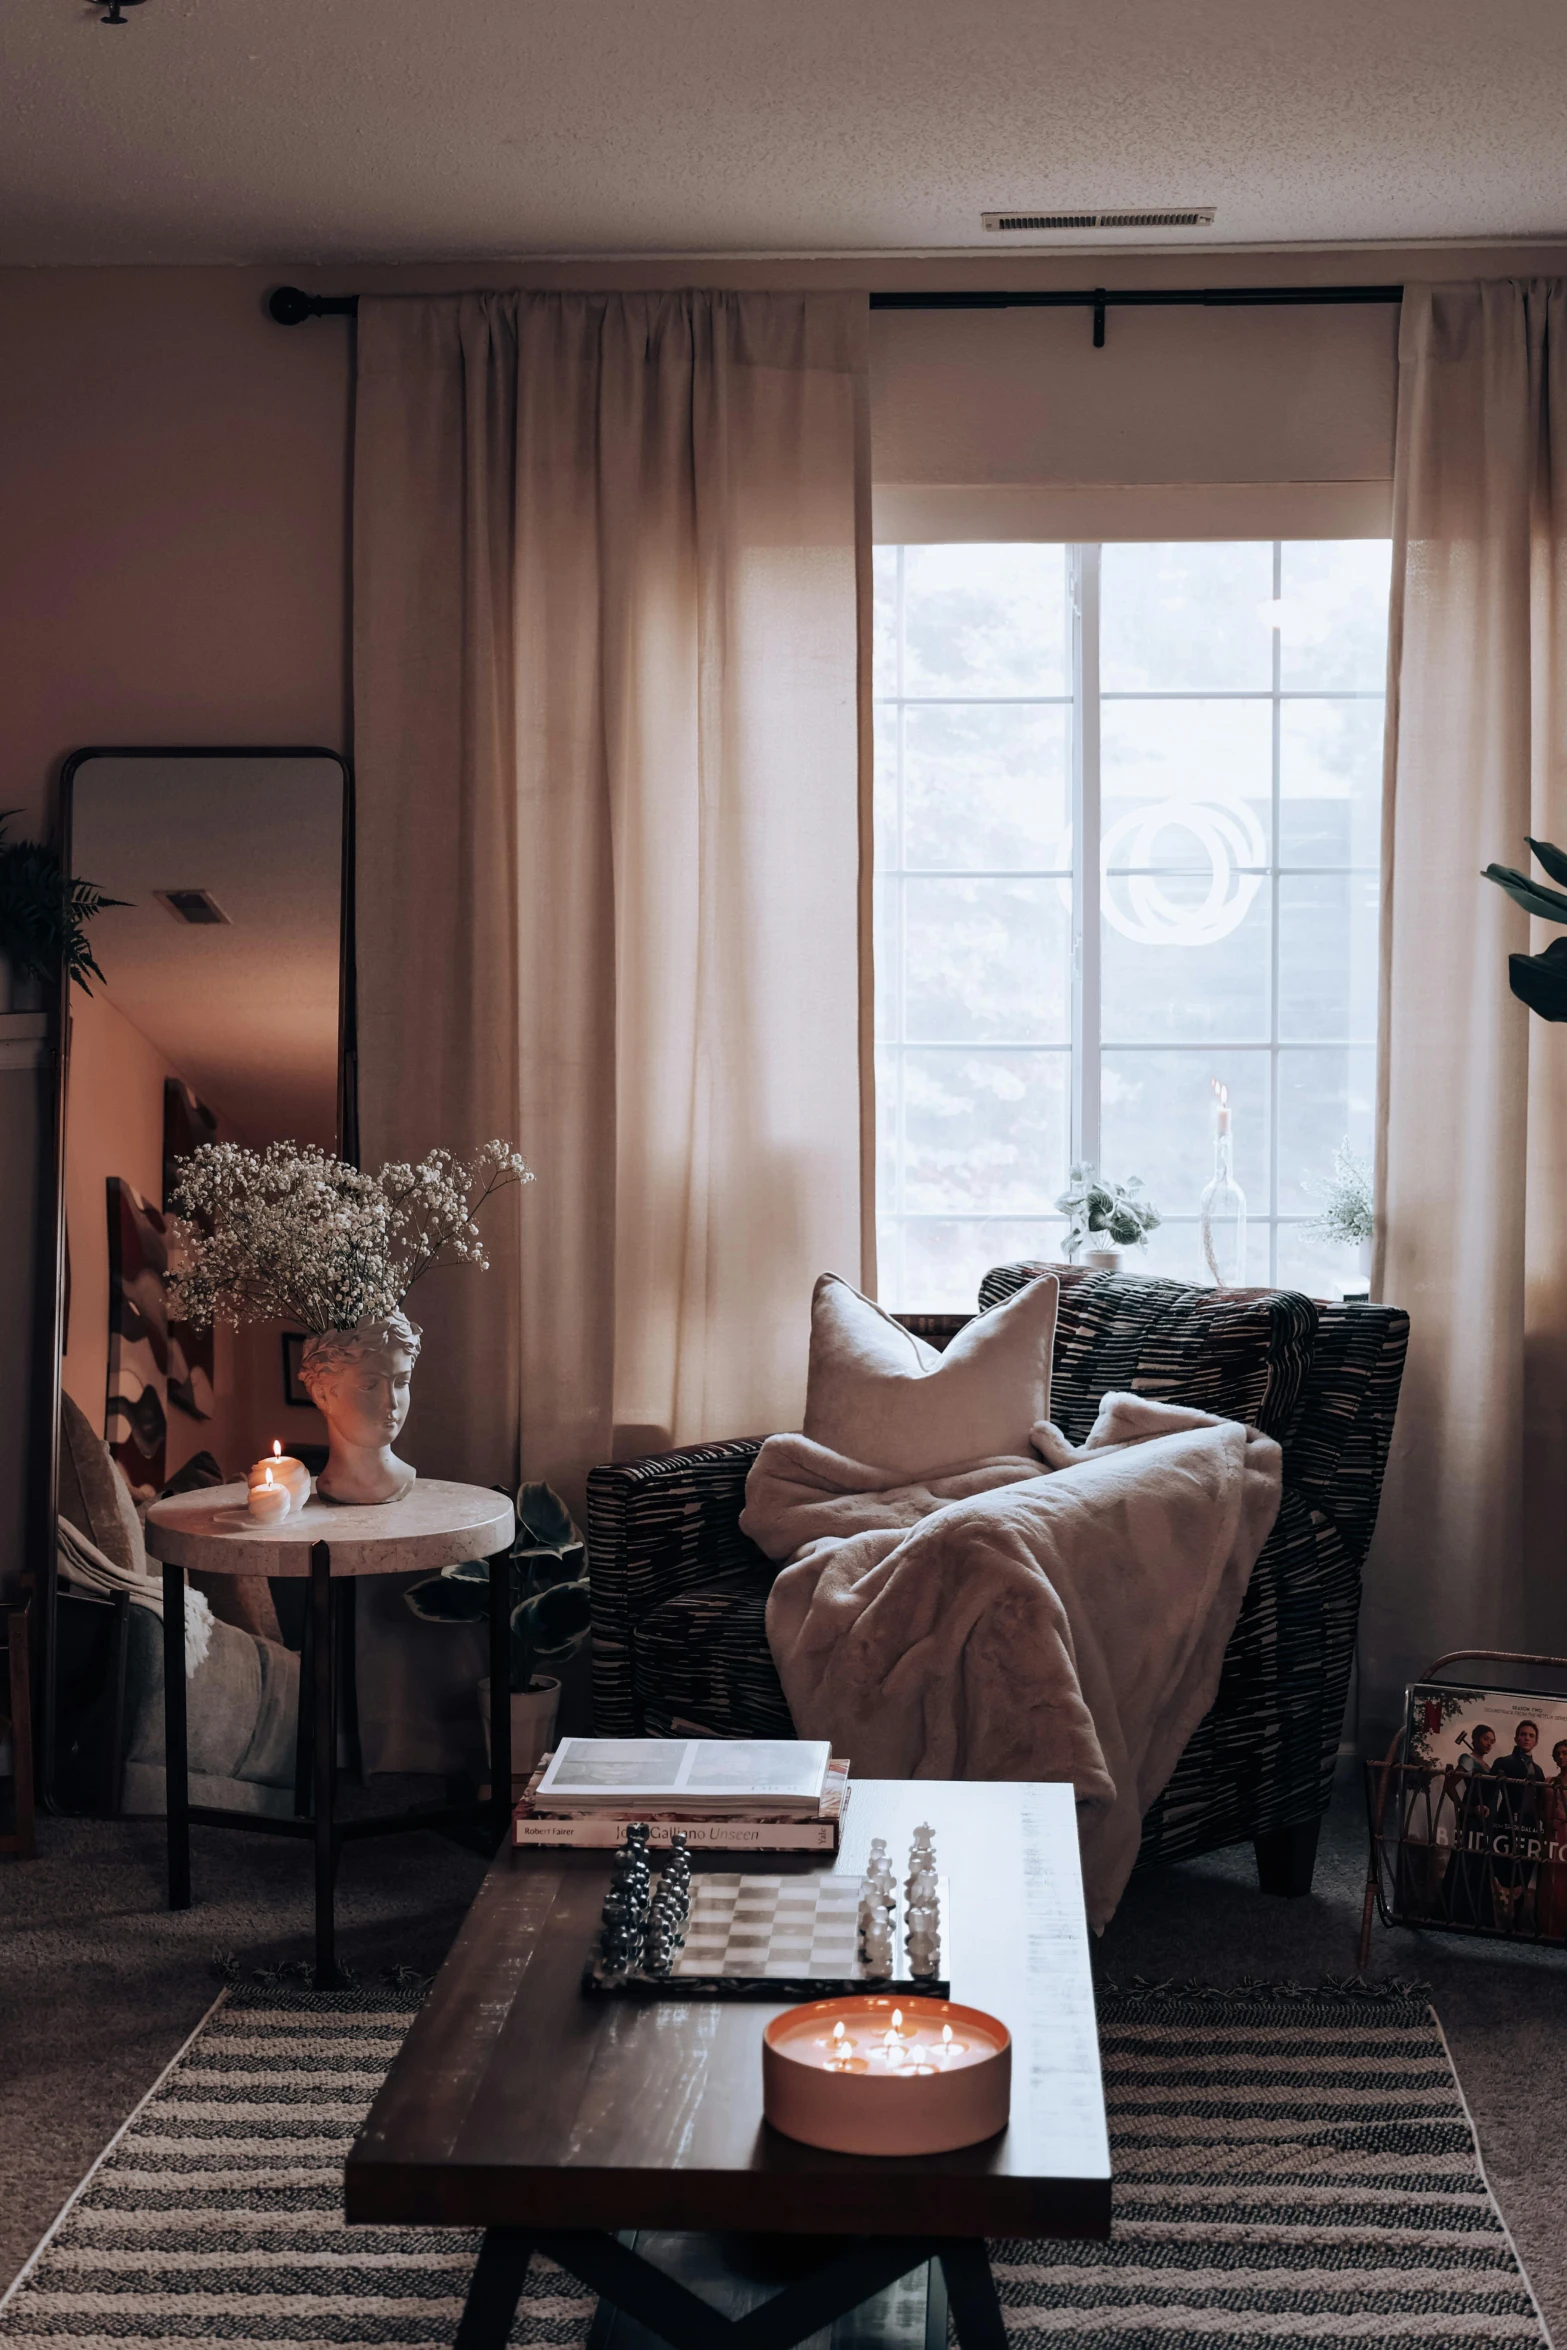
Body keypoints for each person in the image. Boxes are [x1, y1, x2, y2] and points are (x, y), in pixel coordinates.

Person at [1489, 1720, 1547, 1927]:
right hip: (1505, 1823)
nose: (1526, 1738)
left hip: (1530, 1828)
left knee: (1524, 1869)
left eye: (1531, 1735)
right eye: (1523, 1734)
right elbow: (1489, 1792)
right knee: (1502, 1868)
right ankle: (1496, 1919)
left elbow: (1540, 1801)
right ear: (1516, 1738)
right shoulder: (1503, 1762)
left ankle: (1518, 1923)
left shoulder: (1539, 1771)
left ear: (1536, 1741)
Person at [1438, 1725, 1497, 1928]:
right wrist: (1467, 1808)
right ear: (1474, 1739)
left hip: (1484, 1819)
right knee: (1464, 1859)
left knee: (1478, 1862)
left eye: (1492, 1741)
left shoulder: (1485, 1765)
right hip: (1472, 1817)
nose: (1489, 1743)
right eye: (1485, 1739)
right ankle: (1452, 1911)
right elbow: (1449, 1784)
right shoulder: (1467, 1759)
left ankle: (1473, 1915)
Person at [1535, 1738, 1567, 1943]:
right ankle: (1546, 1929)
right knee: (1548, 1879)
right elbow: (1538, 1805)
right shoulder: (1548, 1781)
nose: (1561, 1757)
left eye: (1565, 1753)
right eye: (1558, 1754)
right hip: (1550, 1833)